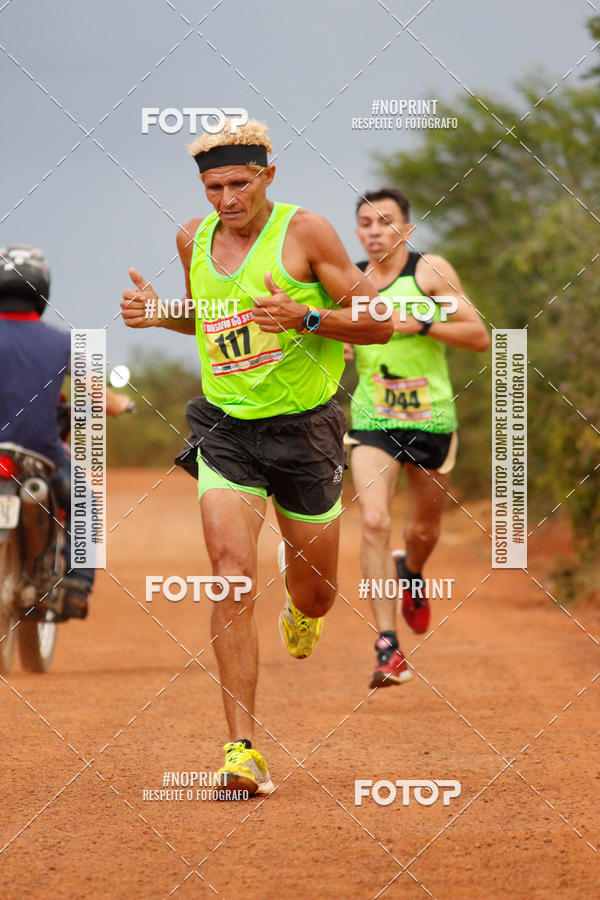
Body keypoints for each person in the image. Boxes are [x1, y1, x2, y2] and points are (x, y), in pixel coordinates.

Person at [121, 119, 392, 796]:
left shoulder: (308, 233)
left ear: (268, 176)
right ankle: (241, 751)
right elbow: (208, 317)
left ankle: (302, 610)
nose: (227, 199)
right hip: (226, 428)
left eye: (239, 184)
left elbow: (379, 322)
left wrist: (305, 318)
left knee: (317, 595)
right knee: (230, 576)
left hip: (307, 432)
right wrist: (158, 313)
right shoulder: (193, 238)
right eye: (214, 187)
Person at [345, 189, 489, 688]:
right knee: (374, 521)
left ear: (405, 229)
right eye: (366, 223)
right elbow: (329, 333)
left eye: (385, 221)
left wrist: (420, 323)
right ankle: (388, 648)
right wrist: (340, 345)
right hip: (373, 420)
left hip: (431, 421)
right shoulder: (350, 282)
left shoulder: (429, 272)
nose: (374, 231)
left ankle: (410, 570)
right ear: (357, 232)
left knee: (423, 533)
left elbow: (478, 335)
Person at [0, 244, 131, 619]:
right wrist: (121, 404)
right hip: (42, 455)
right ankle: (76, 587)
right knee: (83, 501)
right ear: (41, 290)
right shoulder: (63, 342)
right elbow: (98, 395)